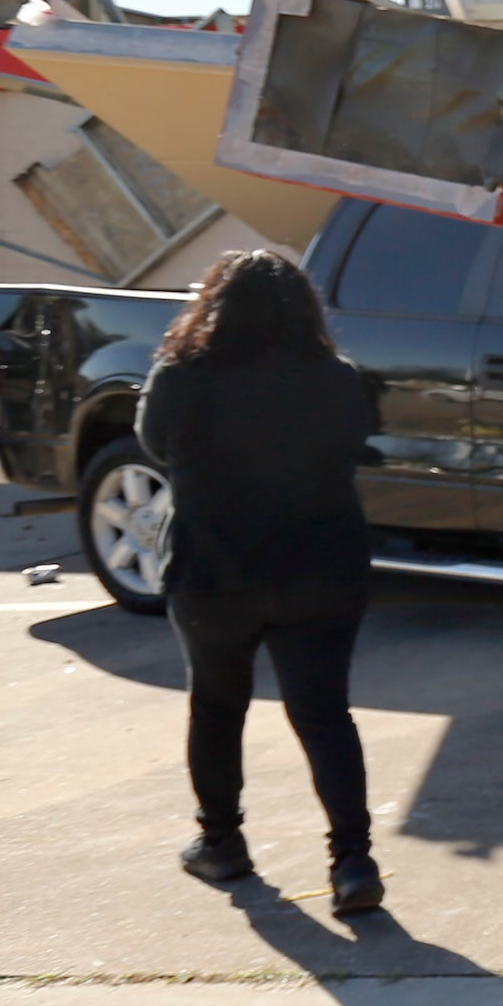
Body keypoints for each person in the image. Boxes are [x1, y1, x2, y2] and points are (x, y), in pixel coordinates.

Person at [136, 248, 388, 914]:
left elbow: (155, 446)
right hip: (322, 569)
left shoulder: (178, 378)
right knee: (324, 715)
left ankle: (222, 844)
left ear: (213, 307)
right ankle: (353, 863)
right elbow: (361, 440)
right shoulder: (338, 378)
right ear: (305, 309)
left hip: (213, 573)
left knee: (216, 709)